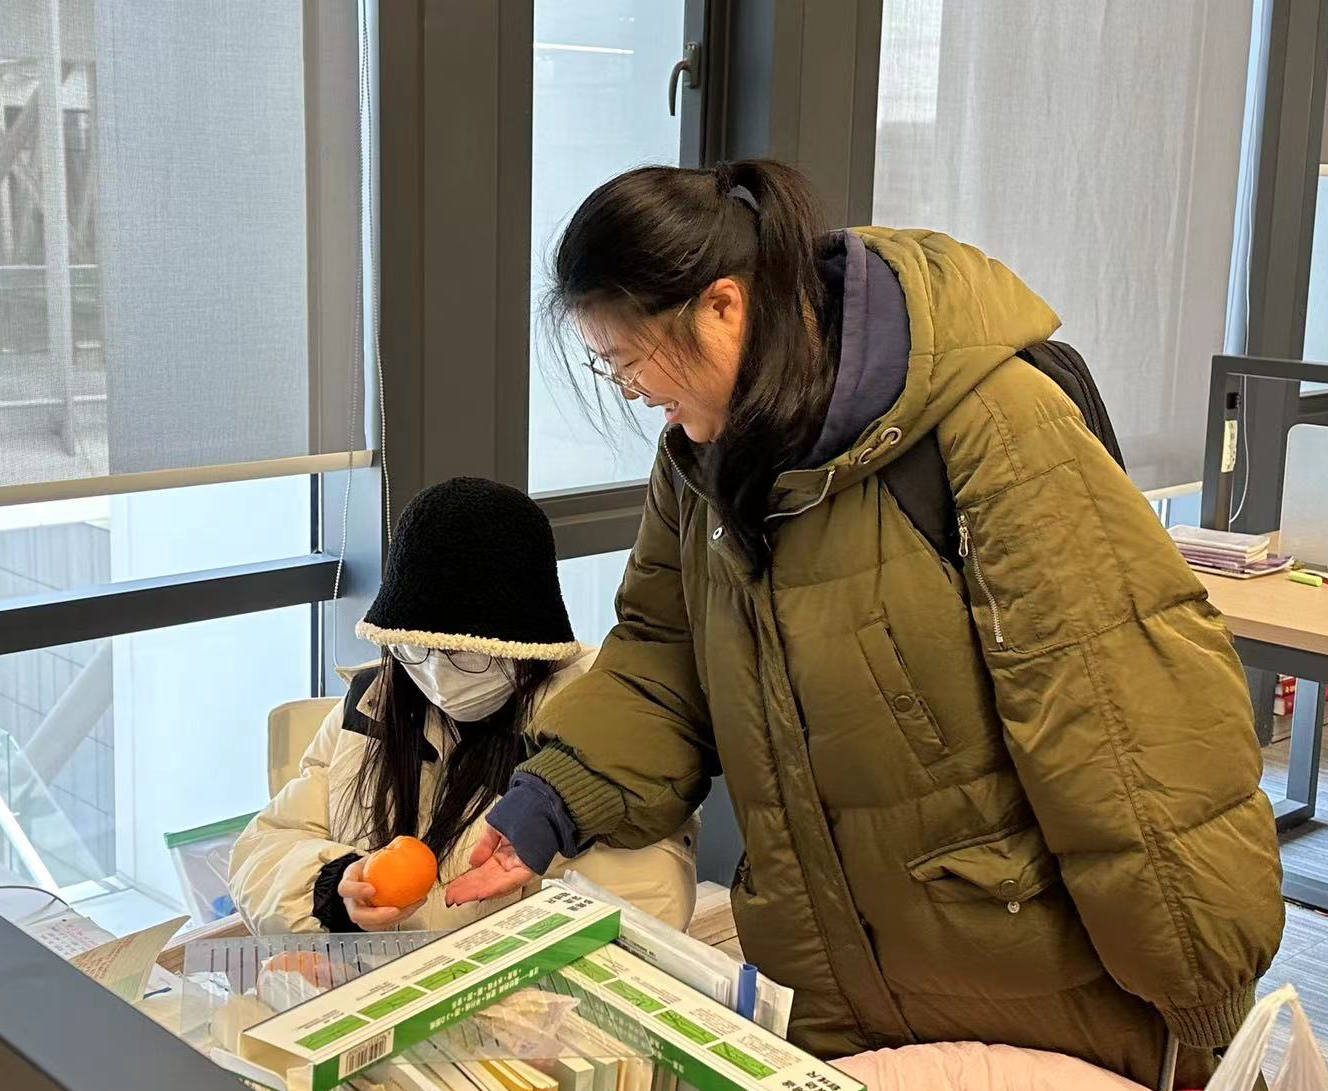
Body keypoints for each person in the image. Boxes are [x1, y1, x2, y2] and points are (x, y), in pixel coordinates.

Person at [444, 161, 1284, 1087]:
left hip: (1039, 1002)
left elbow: (1123, 723)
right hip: (831, 1002)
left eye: (630, 359)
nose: (632, 390)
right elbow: (663, 662)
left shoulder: (988, 423)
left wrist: (1202, 996)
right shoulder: (697, 466)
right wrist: (548, 803)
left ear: (723, 305)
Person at [230, 477, 698, 934]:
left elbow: (641, 914)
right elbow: (263, 849)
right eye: (417, 647)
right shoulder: (372, 705)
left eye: (466, 655)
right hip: (367, 979)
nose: (437, 673)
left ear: (528, 648)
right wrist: (337, 885)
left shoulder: (595, 737)